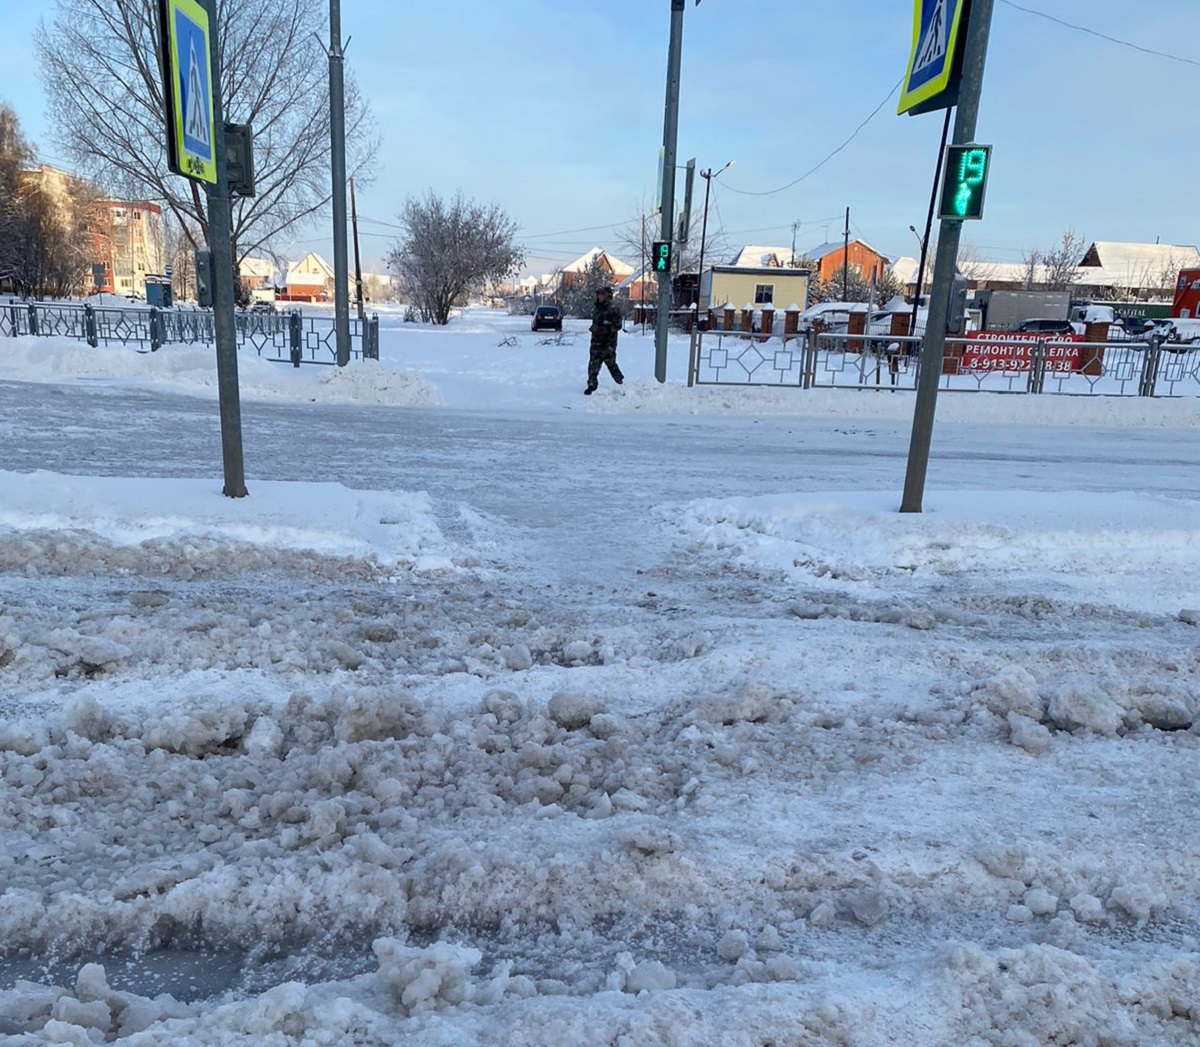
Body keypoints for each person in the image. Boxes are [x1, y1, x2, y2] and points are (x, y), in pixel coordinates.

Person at [585, 285, 624, 395]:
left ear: (608, 296)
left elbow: (618, 325)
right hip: (596, 342)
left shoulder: (613, 309)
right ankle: (591, 385)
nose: (599, 296)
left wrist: (604, 329)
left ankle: (620, 381)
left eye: (602, 294)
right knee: (593, 364)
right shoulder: (597, 308)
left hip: (608, 343)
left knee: (611, 364)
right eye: (598, 294)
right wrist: (594, 328)